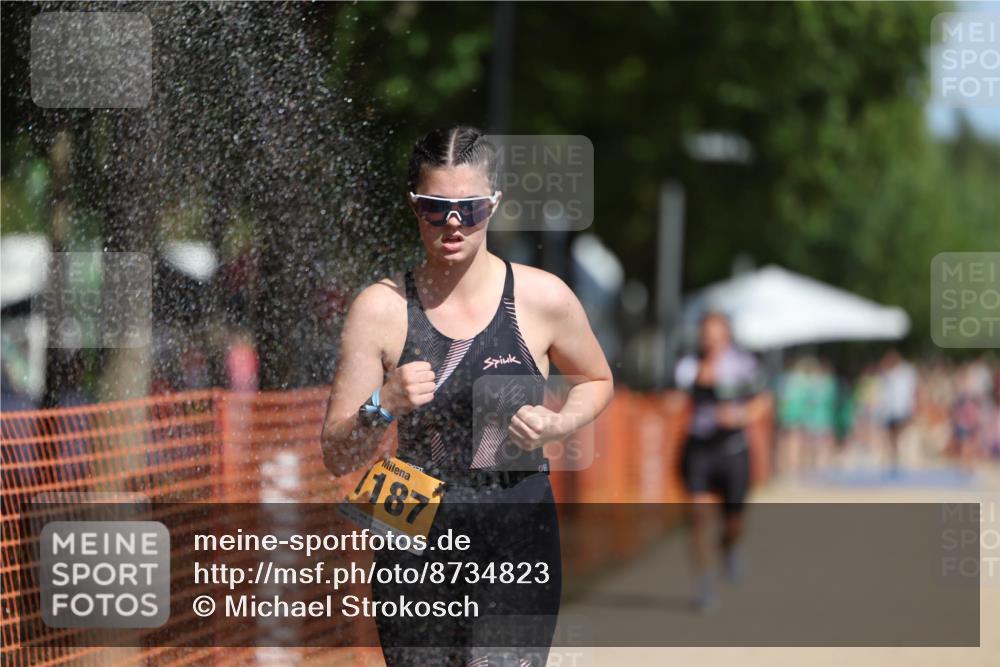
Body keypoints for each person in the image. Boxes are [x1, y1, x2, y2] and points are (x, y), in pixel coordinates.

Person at [320, 126, 613, 666]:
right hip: (412, 514)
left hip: (514, 515)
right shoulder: (380, 308)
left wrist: (558, 425)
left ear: (494, 204)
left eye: (470, 208)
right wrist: (383, 403)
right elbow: (336, 452)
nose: (454, 222)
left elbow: (597, 380)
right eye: (437, 208)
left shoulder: (541, 297)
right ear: (414, 208)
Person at [673, 312, 769, 612]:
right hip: (700, 448)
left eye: (717, 333)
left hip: (733, 450)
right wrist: (709, 362)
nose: (711, 339)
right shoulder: (689, 363)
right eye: (706, 333)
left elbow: (763, 400)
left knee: (734, 521)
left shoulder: (745, 364)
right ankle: (704, 582)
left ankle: (729, 547)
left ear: (728, 334)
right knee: (699, 517)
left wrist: (741, 415)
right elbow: (689, 389)